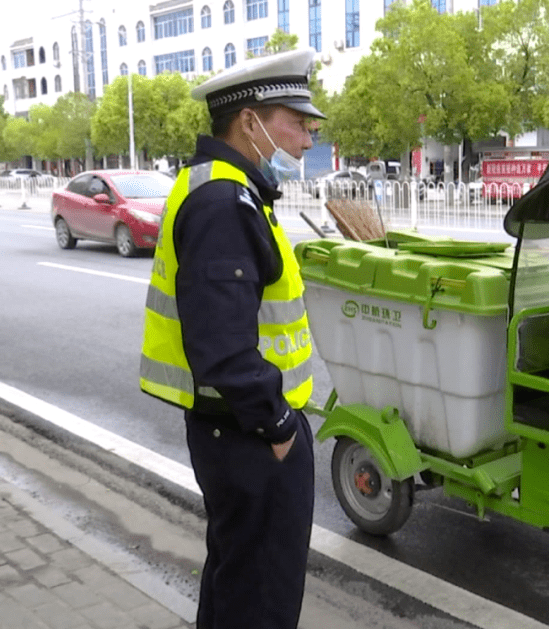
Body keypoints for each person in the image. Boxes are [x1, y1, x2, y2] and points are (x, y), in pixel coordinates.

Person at [139, 48, 326, 629]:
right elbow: (222, 346)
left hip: (234, 430)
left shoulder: (228, 186)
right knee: (261, 596)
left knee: (237, 578)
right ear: (249, 121)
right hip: (250, 434)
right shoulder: (224, 200)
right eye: (297, 121)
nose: (308, 137)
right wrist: (276, 426)